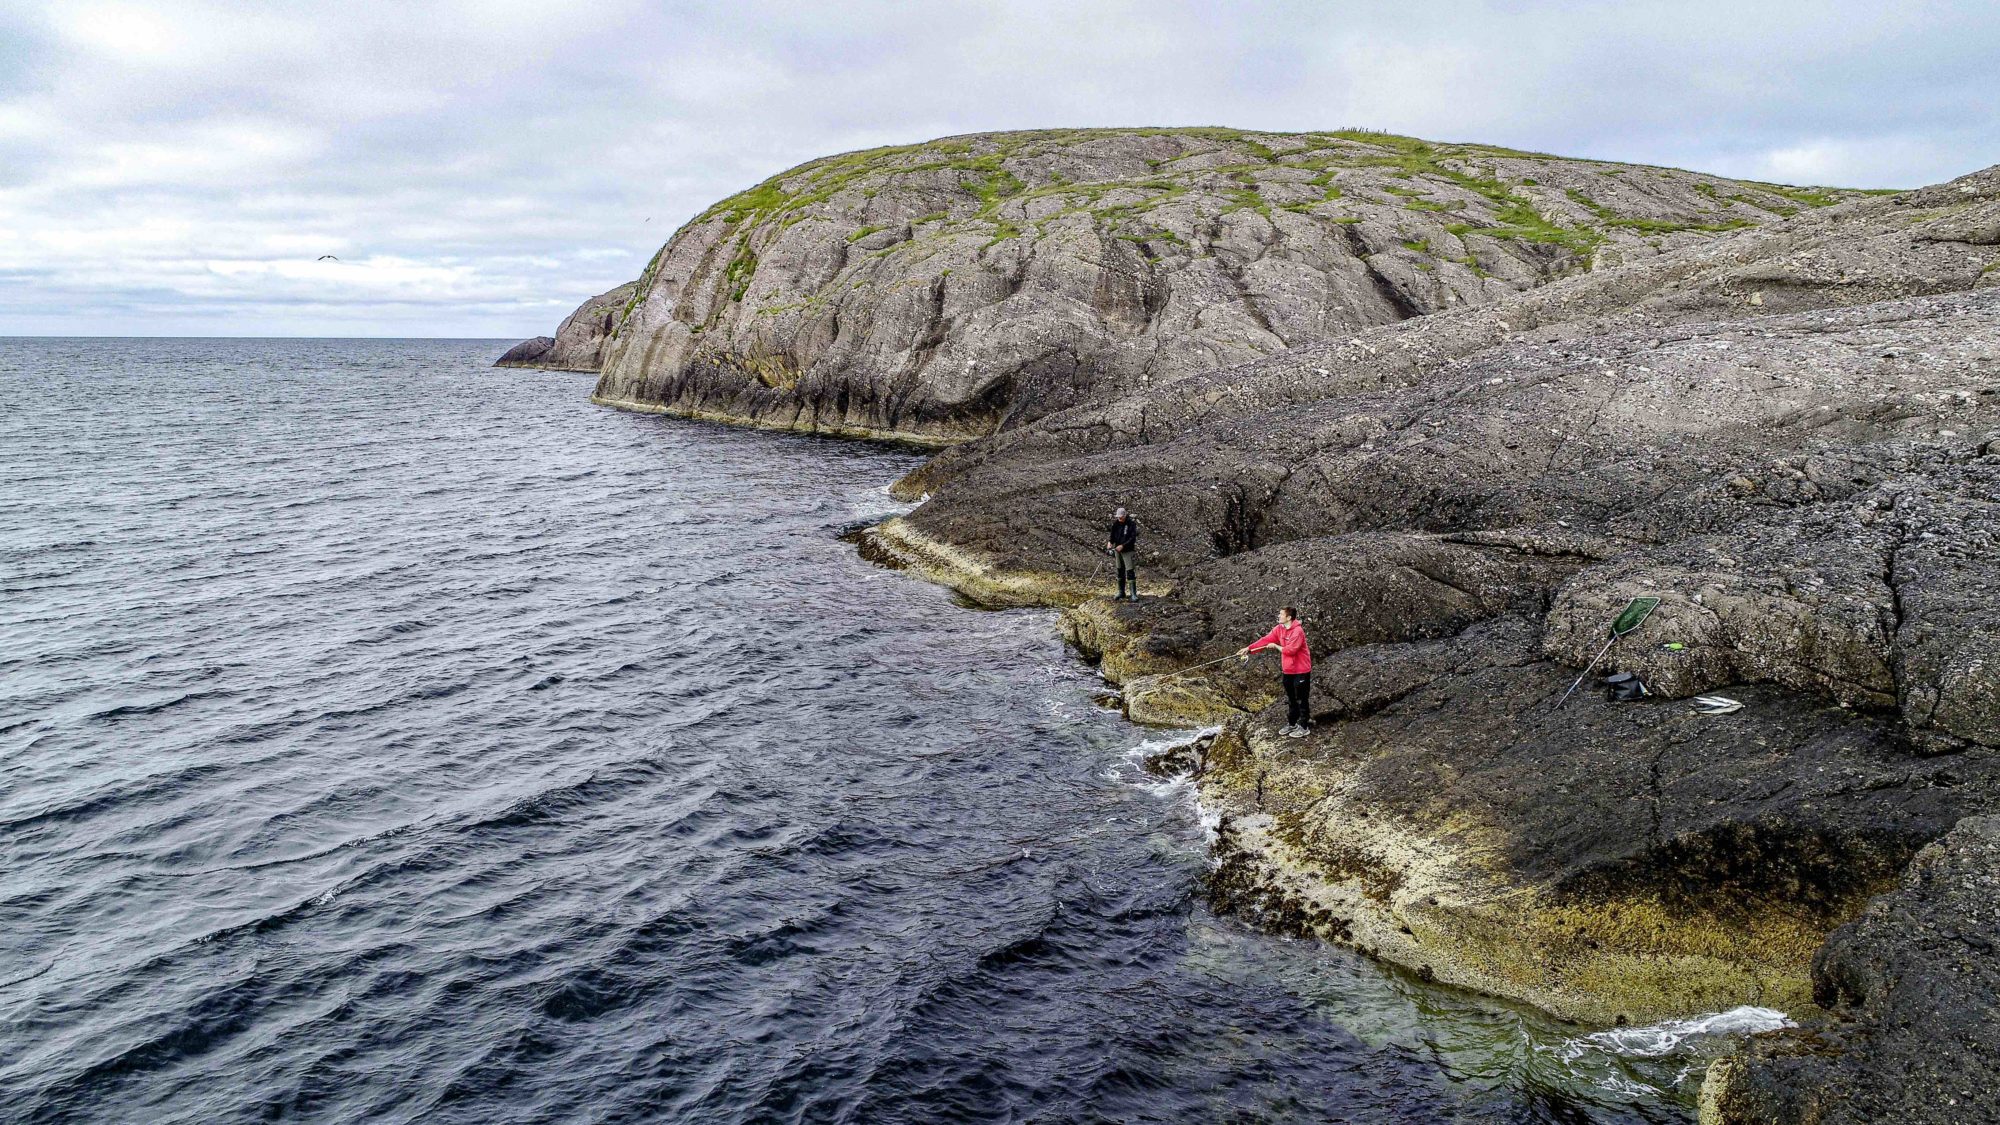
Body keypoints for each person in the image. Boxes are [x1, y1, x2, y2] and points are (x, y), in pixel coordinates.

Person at [1240, 606, 1312, 737]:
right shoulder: (1279, 629)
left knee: (1301, 699)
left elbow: (1291, 650)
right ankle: (1292, 724)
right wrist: (1249, 649)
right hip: (1288, 670)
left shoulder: (1298, 631)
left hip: (1301, 670)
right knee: (1291, 699)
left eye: (1281, 614)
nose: (1279, 616)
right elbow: (1265, 640)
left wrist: (1276, 646)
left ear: (1289, 617)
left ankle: (1304, 727)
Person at [1105, 507, 1139, 602]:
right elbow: (1112, 536)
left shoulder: (1131, 524)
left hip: (1128, 551)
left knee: (1130, 571)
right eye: (1118, 517)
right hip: (1117, 551)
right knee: (1120, 570)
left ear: (1124, 515)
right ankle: (1121, 592)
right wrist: (1110, 542)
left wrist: (1123, 546)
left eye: (1121, 517)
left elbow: (1132, 538)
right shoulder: (1115, 524)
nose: (1119, 518)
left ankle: (1133, 594)